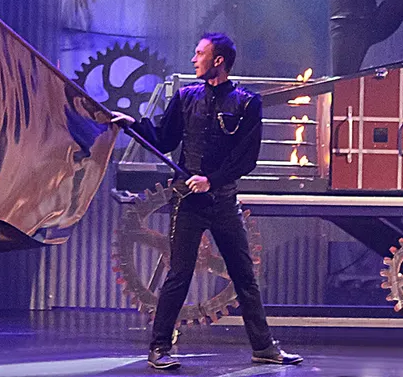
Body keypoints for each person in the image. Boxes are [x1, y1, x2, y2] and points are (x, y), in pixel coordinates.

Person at [112, 32, 303, 370]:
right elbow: (164, 137)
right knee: (179, 274)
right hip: (188, 202)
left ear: (218, 61)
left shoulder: (247, 102)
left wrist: (211, 180)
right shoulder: (185, 97)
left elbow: (246, 159)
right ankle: (159, 348)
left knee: (244, 276)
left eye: (199, 53)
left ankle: (264, 347)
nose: (193, 59)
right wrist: (134, 126)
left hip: (224, 202)